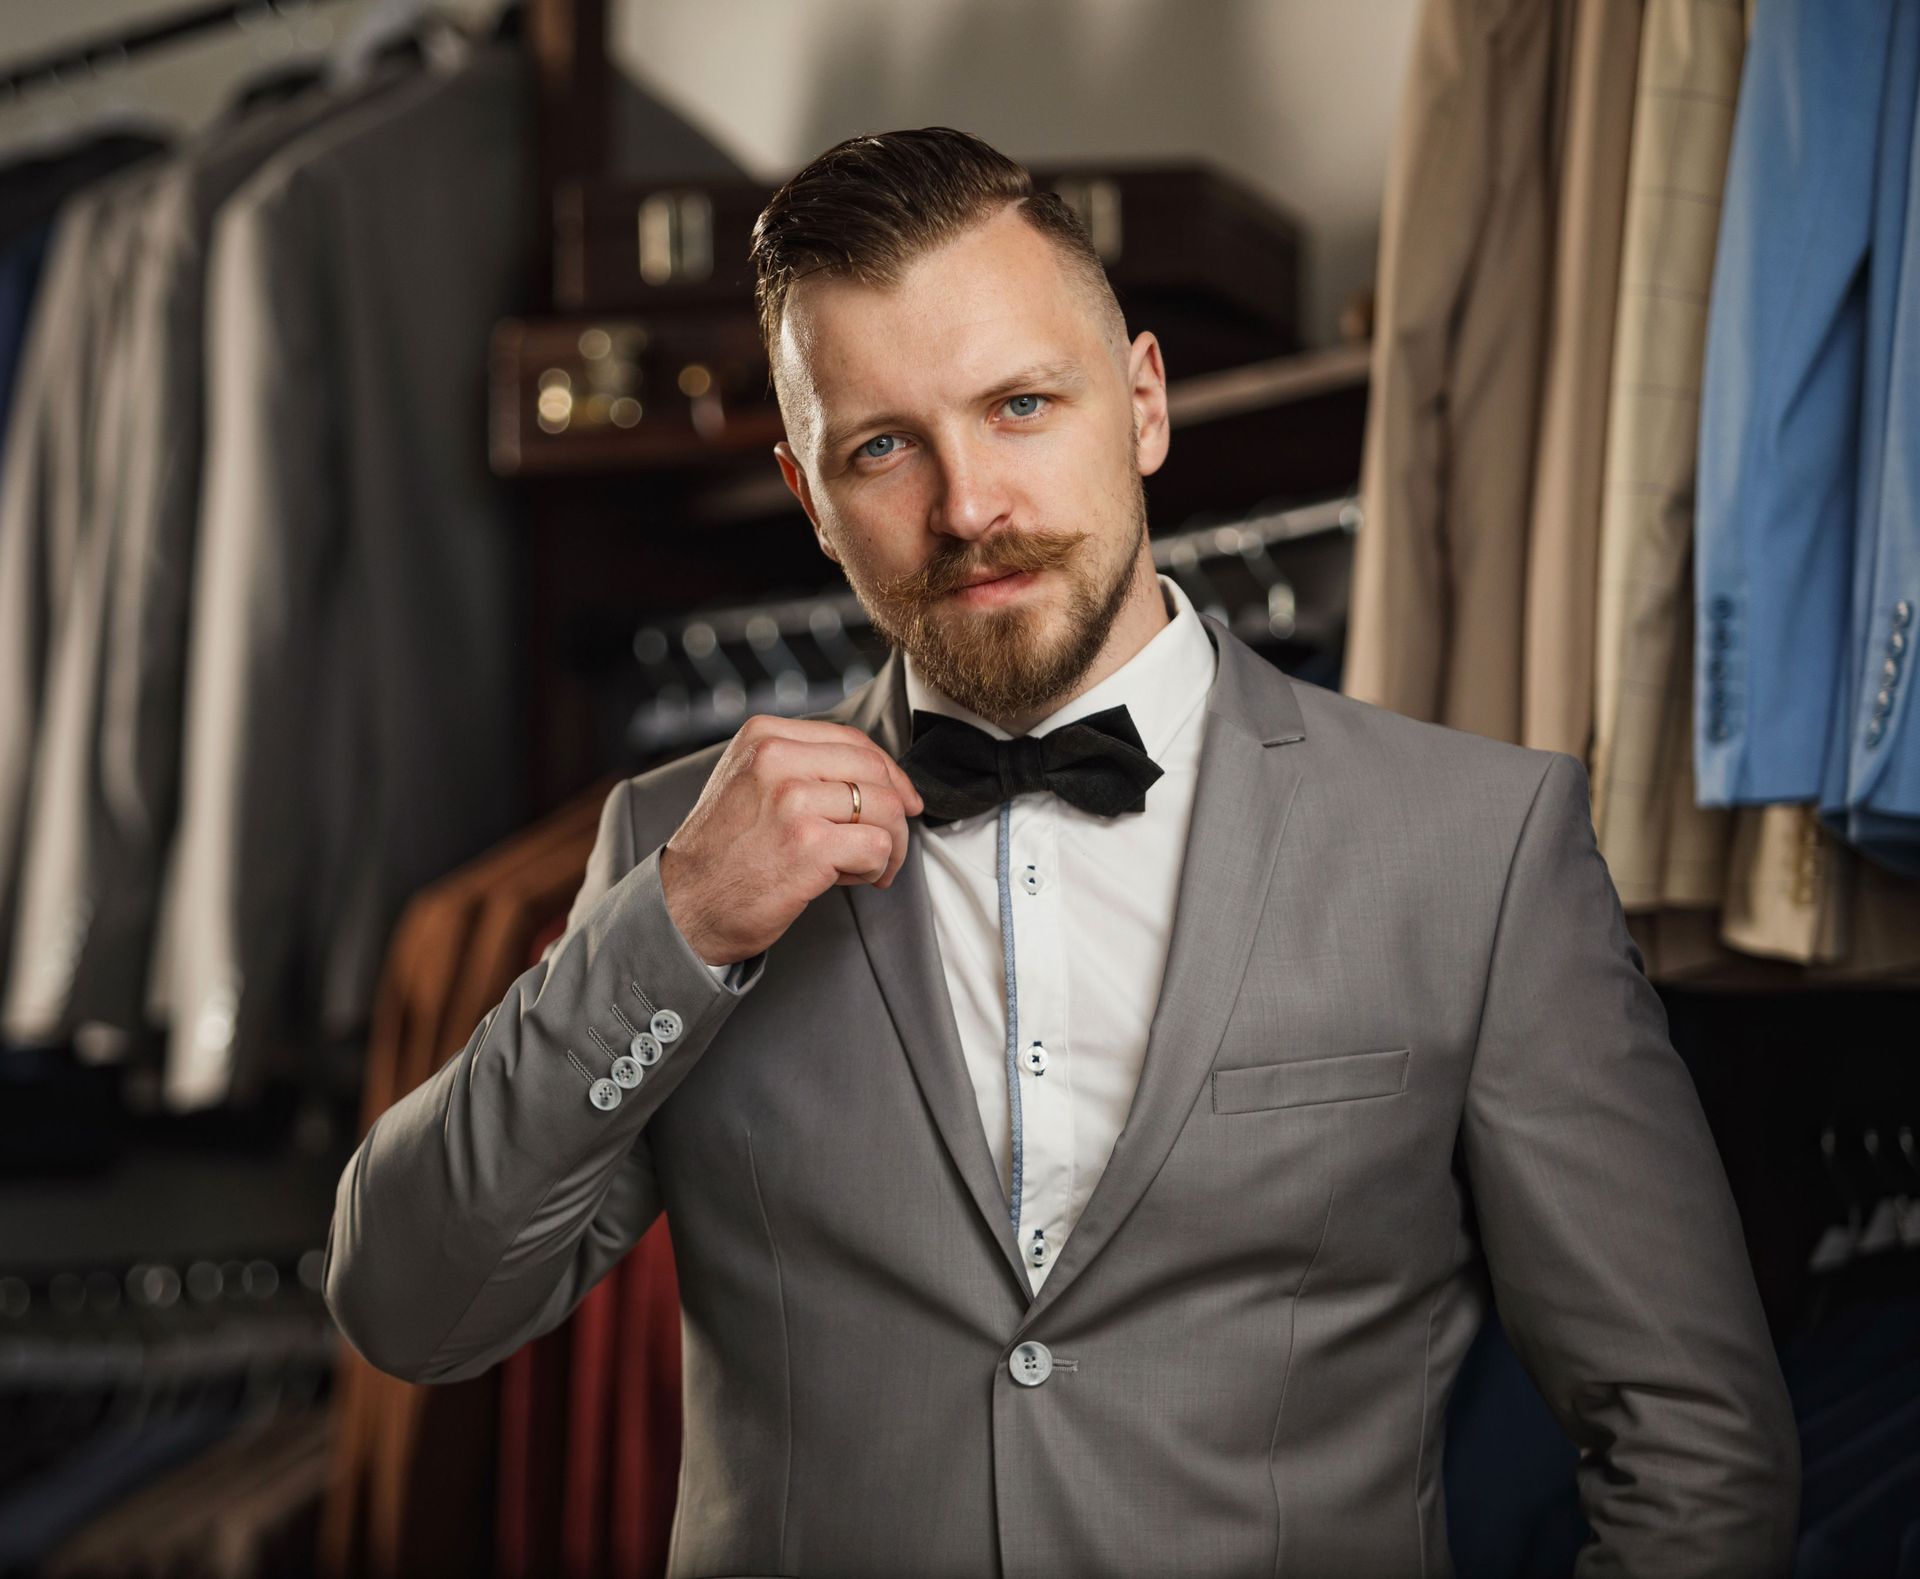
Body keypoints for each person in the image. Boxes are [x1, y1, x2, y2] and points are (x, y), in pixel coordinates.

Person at [324, 128, 1800, 1578]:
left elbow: (1690, 1442)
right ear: (809, 498)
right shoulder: (672, 846)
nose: (970, 509)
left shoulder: (1474, 848)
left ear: (1143, 403)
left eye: (1022, 405)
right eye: (886, 447)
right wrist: (674, 932)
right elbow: (412, 1305)